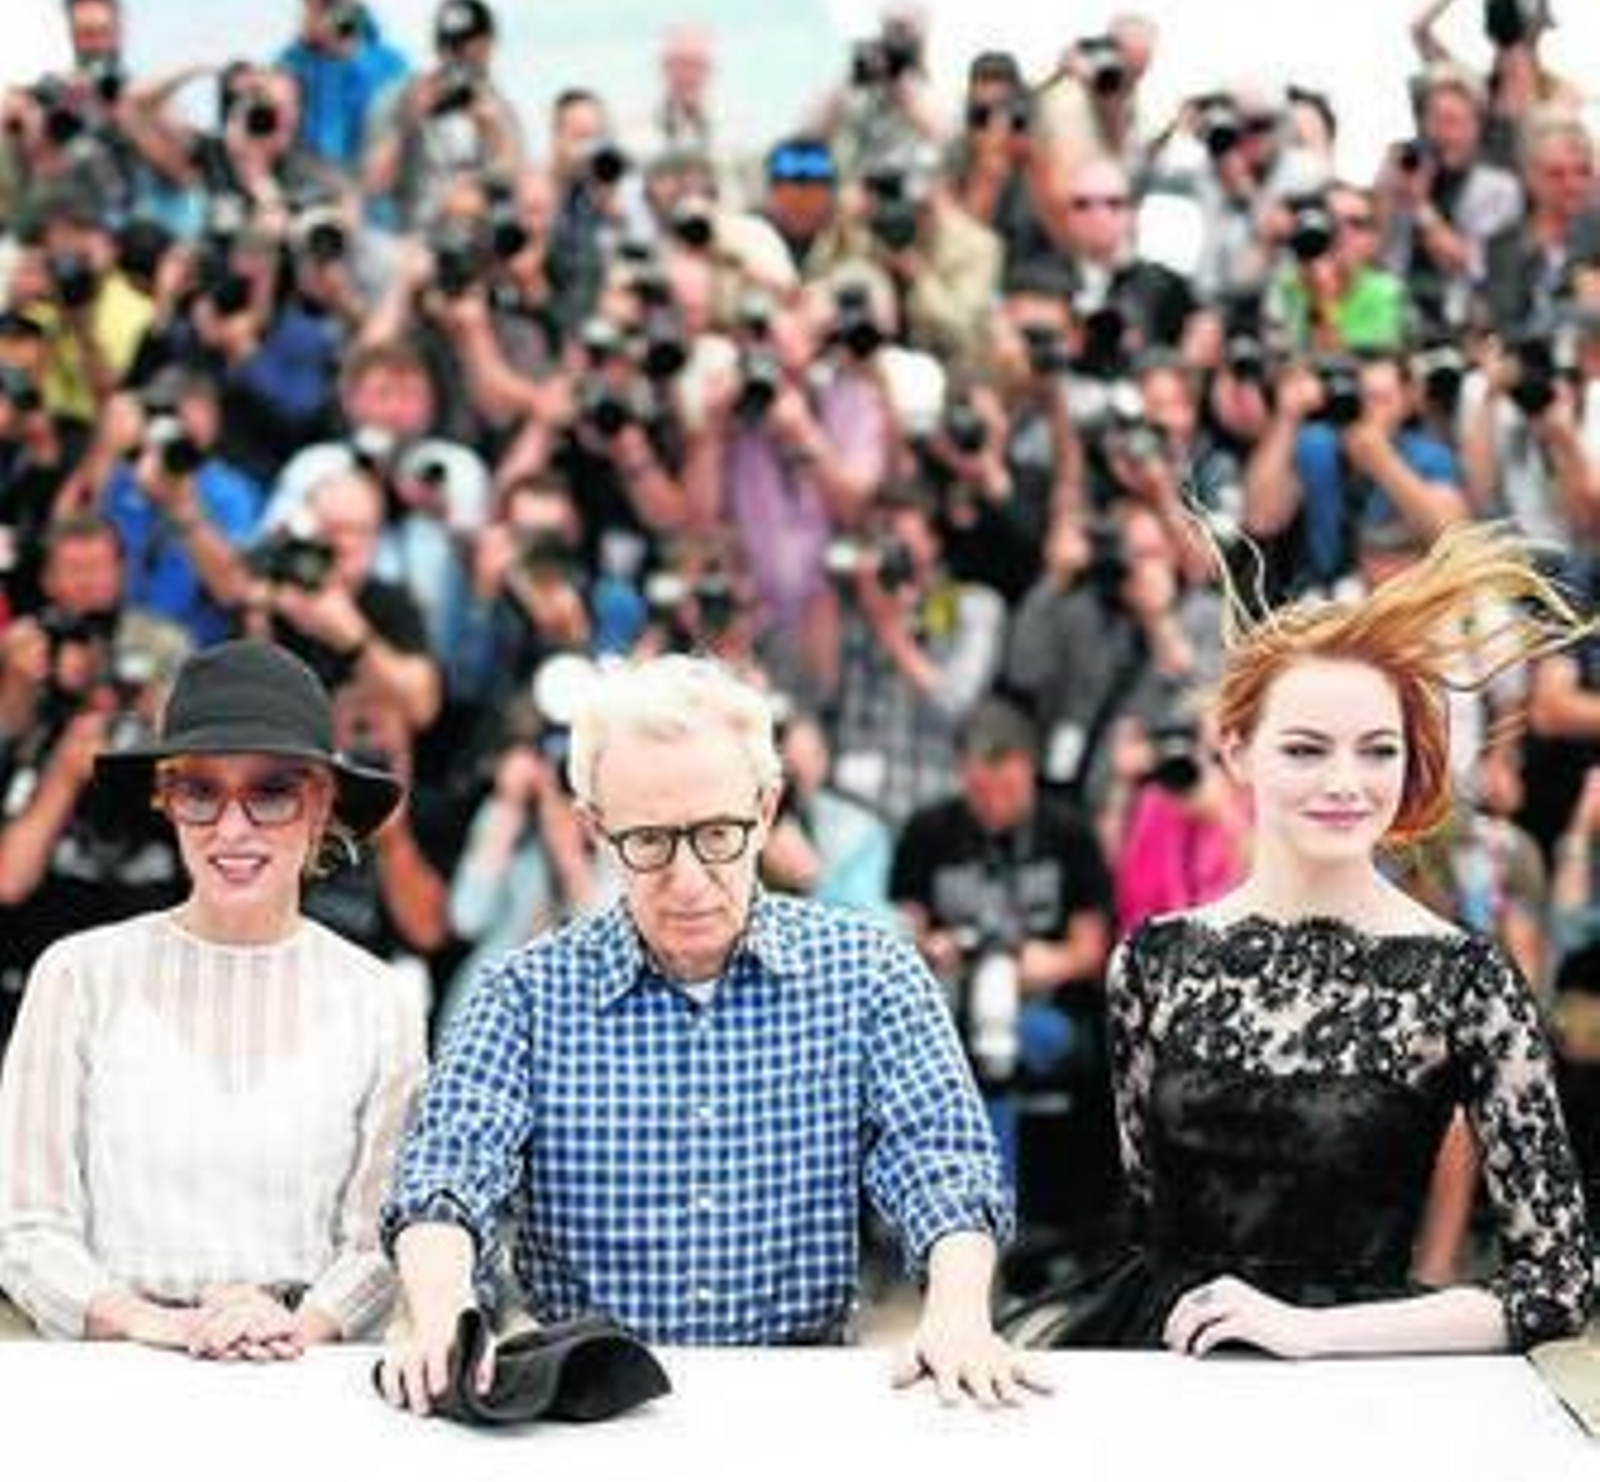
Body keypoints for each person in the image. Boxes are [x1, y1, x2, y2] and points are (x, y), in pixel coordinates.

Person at [378, 654, 1042, 1412]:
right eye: (649, 842)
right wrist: (438, 1310)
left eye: (719, 834)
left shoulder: (872, 975)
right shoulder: (521, 993)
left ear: (766, 811)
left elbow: (942, 1164)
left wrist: (957, 1311)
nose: (689, 879)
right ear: (596, 826)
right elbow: (446, 1177)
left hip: (799, 1401)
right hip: (587, 1406)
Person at [1039, 523, 1594, 1354]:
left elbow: (1560, 1283)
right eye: (1305, 748)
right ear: (1236, 749)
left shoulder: (1464, 979)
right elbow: (1148, 1225)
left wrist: (1313, 1333)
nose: (1345, 782)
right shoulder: (1153, 962)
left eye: (1377, 750)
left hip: (1359, 1384)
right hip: (1169, 1370)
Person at [0, 638, 425, 1353]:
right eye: (200, 790)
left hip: (308, 1377)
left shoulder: (379, 999)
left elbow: (381, 1235)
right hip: (115, 1375)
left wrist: (298, 1324)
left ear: (321, 804)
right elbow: (26, 1223)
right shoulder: (78, 975)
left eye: (270, 791)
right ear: (167, 802)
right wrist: (157, 1323)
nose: (233, 828)